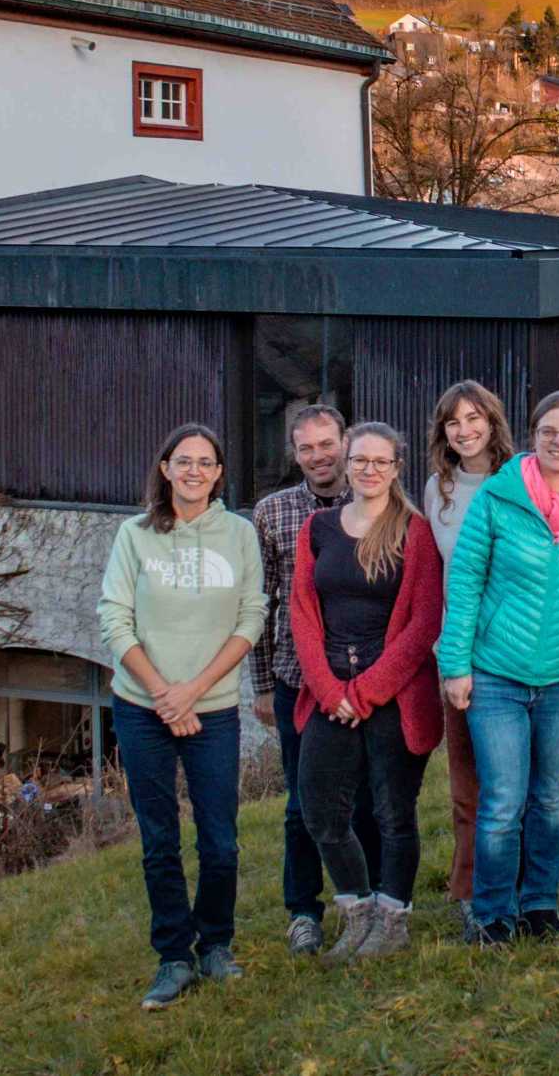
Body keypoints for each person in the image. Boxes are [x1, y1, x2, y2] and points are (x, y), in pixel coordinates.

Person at [98, 424, 266, 1008]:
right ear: (165, 468)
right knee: (159, 840)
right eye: (183, 461)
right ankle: (174, 956)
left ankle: (216, 944)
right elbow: (115, 620)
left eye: (206, 463)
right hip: (143, 709)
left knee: (220, 841)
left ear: (219, 473)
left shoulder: (240, 535)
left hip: (213, 710)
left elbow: (250, 618)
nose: (194, 471)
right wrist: (163, 694)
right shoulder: (134, 535)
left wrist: (191, 691)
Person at [437, 391, 559, 945]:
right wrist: (455, 665)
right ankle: (492, 914)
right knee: (502, 801)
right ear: (532, 436)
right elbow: (463, 583)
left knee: (552, 796)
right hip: (497, 675)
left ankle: (540, 903)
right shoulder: (498, 495)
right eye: (548, 431)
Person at [289, 422, 444, 963]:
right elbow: (303, 616)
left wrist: (368, 691)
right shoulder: (319, 527)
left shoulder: (414, 532)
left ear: (397, 468)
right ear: (347, 463)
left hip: (393, 695)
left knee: (392, 812)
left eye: (381, 462)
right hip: (329, 693)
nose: (369, 470)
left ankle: (393, 918)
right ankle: (356, 913)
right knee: (321, 812)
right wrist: (332, 692)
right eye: (360, 460)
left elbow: (424, 624)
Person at [249, 403, 379, 957]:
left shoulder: (376, 504)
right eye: (307, 448)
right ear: (294, 454)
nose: (319, 457)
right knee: (303, 801)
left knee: (370, 797)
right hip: (296, 680)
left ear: (345, 443)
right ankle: (303, 910)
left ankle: (373, 902)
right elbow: (261, 603)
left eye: (328, 445)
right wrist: (258, 683)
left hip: (364, 682)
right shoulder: (273, 513)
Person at [420, 381, 514, 921]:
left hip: (513, 649)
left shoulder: (518, 479)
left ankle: (518, 879)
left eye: (474, 418)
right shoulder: (440, 489)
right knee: (466, 780)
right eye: (454, 422)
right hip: (458, 652)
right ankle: (468, 887)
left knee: (513, 778)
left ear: (492, 421)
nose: (465, 430)